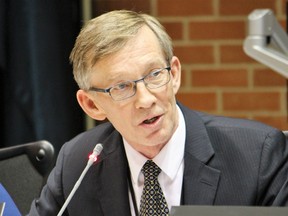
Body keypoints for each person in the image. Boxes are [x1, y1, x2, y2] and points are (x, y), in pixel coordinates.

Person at [28, 10, 288, 216]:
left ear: (174, 74)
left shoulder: (258, 157)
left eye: (154, 75)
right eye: (121, 87)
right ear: (92, 105)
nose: (145, 99)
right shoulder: (76, 165)